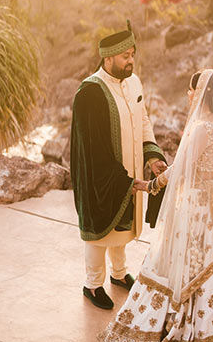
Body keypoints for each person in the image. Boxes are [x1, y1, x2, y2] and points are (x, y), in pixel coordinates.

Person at [101, 69, 213, 342]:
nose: (188, 94)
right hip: (210, 203)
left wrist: (150, 185)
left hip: (194, 205)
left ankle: (178, 323)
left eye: (191, 89)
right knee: (209, 258)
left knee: (179, 258)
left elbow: (181, 168)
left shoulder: (201, 129)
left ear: (202, 93)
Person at [70, 22, 167, 310]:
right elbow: (93, 150)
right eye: (125, 56)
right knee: (100, 234)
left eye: (133, 53)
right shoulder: (90, 93)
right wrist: (127, 181)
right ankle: (93, 285)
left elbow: (143, 120)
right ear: (108, 57)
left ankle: (119, 273)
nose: (131, 60)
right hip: (100, 177)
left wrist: (152, 156)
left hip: (129, 171)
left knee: (122, 229)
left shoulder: (134, 82)